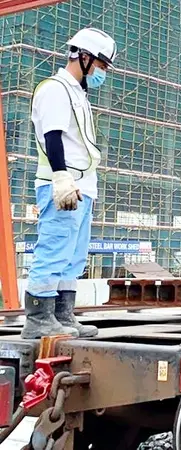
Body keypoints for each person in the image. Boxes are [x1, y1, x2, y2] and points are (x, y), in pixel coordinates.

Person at [21, 28, 117, 339]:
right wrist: (60, 177)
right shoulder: (55, 89)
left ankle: (62, 315)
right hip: (62, 184)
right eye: (101, 66)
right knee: (54, 248)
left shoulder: (78, 93)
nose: (102, 73)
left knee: (74, 255)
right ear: (84, 57)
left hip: (83, 186)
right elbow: (53, 135)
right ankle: (38, 319)